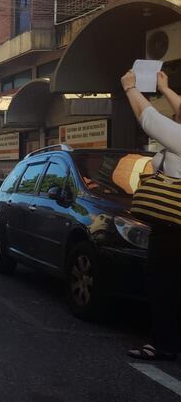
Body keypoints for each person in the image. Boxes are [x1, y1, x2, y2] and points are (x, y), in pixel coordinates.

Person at [122, 69, 181, 361]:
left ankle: (165, 344)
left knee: (164, 284)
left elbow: (150, 120)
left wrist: (131, 89)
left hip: (173, 226)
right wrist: (164, 88)